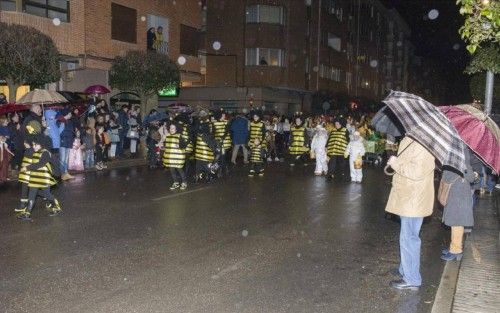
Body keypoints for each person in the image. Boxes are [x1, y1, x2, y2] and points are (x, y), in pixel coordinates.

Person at [385, 136, 436, 290]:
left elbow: (417, 171)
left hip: (413, 199)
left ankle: (412, 278)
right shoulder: (414, 139)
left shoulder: (423, 143)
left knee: (409, 238)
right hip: (409, 196)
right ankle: (404, 269)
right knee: (408, 236)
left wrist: (396, 163)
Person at [440, 150, 475, 261]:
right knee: (455, 220)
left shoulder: (460, 150)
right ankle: (454, 246)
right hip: (457, 190)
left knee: (457, 221)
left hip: (459, 191)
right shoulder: (460, 148)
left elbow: (469, 176)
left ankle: (456, 250)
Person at [17, 135, 62, 221]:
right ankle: (27, 214)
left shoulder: (45, 153)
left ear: (41, 144)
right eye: (33, 145)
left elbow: (40, 164)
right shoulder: (35, 151)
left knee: (47, 195)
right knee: (31, 195)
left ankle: (56, 207)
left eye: (35, 145)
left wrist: (27, 167)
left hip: (44, 178)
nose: (34, 146)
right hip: (35, 177)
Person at [161, 123, 188, 190]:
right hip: (170, 157)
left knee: (180, 170)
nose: (171, 129)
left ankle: (184, 182)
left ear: (176, 129)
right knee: (172, 170)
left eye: (173, 128)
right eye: (170, 128)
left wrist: (180, 146)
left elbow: (184, 144)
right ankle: (176, 182)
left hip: (178, 157)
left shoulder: (179, 136)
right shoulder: (167, 136)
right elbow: (164, 143)